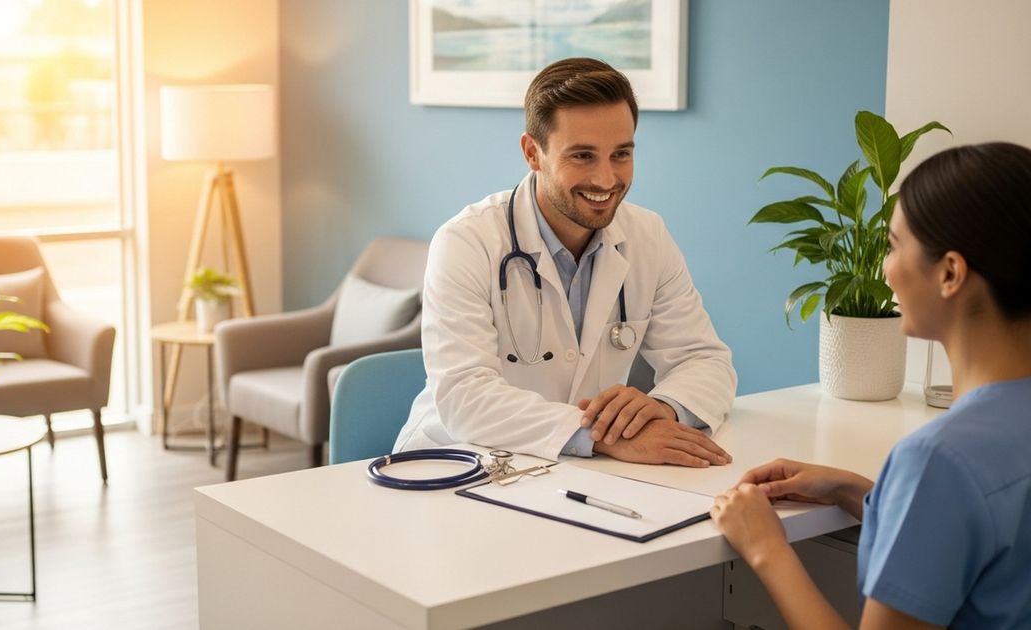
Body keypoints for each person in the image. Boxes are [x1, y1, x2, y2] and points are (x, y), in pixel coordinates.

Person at [711, 142, 1031, 629]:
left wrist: (764, 548)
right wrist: (858, 492)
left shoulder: (941, 459)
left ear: (949, 273)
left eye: (894, 245)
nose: (885, 269)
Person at [393, 57, 737, 465]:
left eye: (621, 154)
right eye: (582, 156)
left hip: (578, 472)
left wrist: (659, 409)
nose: (606, 180)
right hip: (461, 466)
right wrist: (601, 435)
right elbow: (465, 397)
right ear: (532, 153)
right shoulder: (467, 242)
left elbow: (705, 360)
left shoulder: (648, 236)